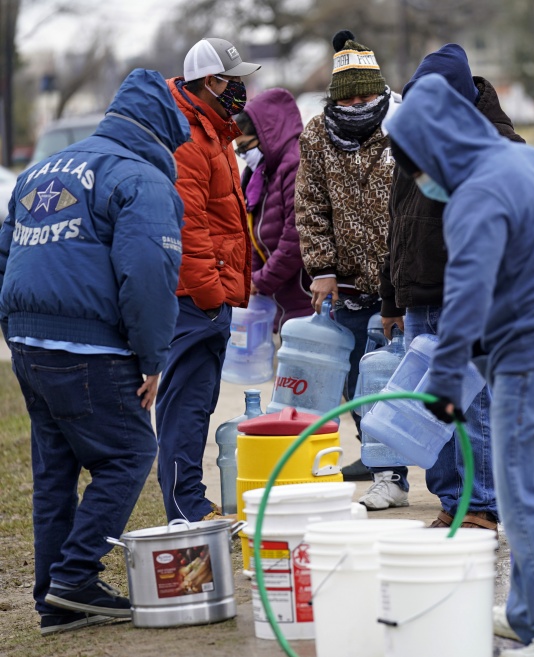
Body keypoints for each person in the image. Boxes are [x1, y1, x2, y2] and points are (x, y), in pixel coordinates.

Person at [386, 73, 534, 657]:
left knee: (530, 502)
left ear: (435, 146)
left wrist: (441, 385)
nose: (419, 179)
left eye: (416, 165)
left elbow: (465, 294)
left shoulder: (477, 193)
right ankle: (532, 618)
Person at [0, 69, 190, 634]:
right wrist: (152, 358)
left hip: (28, 342)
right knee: (129, 453)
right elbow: (149, 275)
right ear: (161, 129)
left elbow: (5, 253)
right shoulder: (141, 178)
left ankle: (54, 601)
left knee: (54, 469)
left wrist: (15, 330)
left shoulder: (38, 171)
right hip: (90, 347)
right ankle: (76, 575)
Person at [380, 43, 526, 533]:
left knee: (472, 406)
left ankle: (481, 504)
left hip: (471, 299)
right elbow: (398, 225)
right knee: (432, 408)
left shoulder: (498, 145)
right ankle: (451, 500)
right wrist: (391, 299)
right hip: (421, 296)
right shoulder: (417, 141)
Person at [295, 29, 407, 509]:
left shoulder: (403, 124)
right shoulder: (317, 135)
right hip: (347, 288)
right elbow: (309, 204)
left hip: (402, 280)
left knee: (411, 383)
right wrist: (320, 267)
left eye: (366, 93)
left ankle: (450, 472)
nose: (359, 103)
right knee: (362, 385)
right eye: (349, 96)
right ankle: (389, 476)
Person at [156, 37, 261, 522]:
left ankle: (191, 499)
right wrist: (210, 295)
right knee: (186, 405)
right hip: (193, 298)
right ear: (211, 82)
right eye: (233, 80)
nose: (240, 89)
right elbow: (187, 228)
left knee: (199, 403)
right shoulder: (189, 138)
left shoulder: (212, 132)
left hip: (206, 295)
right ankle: (187, 508)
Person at [234, 88, 313, 331]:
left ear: (266, 136)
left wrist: (260, 281)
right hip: (281, 305)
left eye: (245, 147)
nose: (243, 156)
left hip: (306, 304)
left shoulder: (295, 165)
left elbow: (295, 238)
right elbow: (253, 233)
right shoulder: (258, 175)